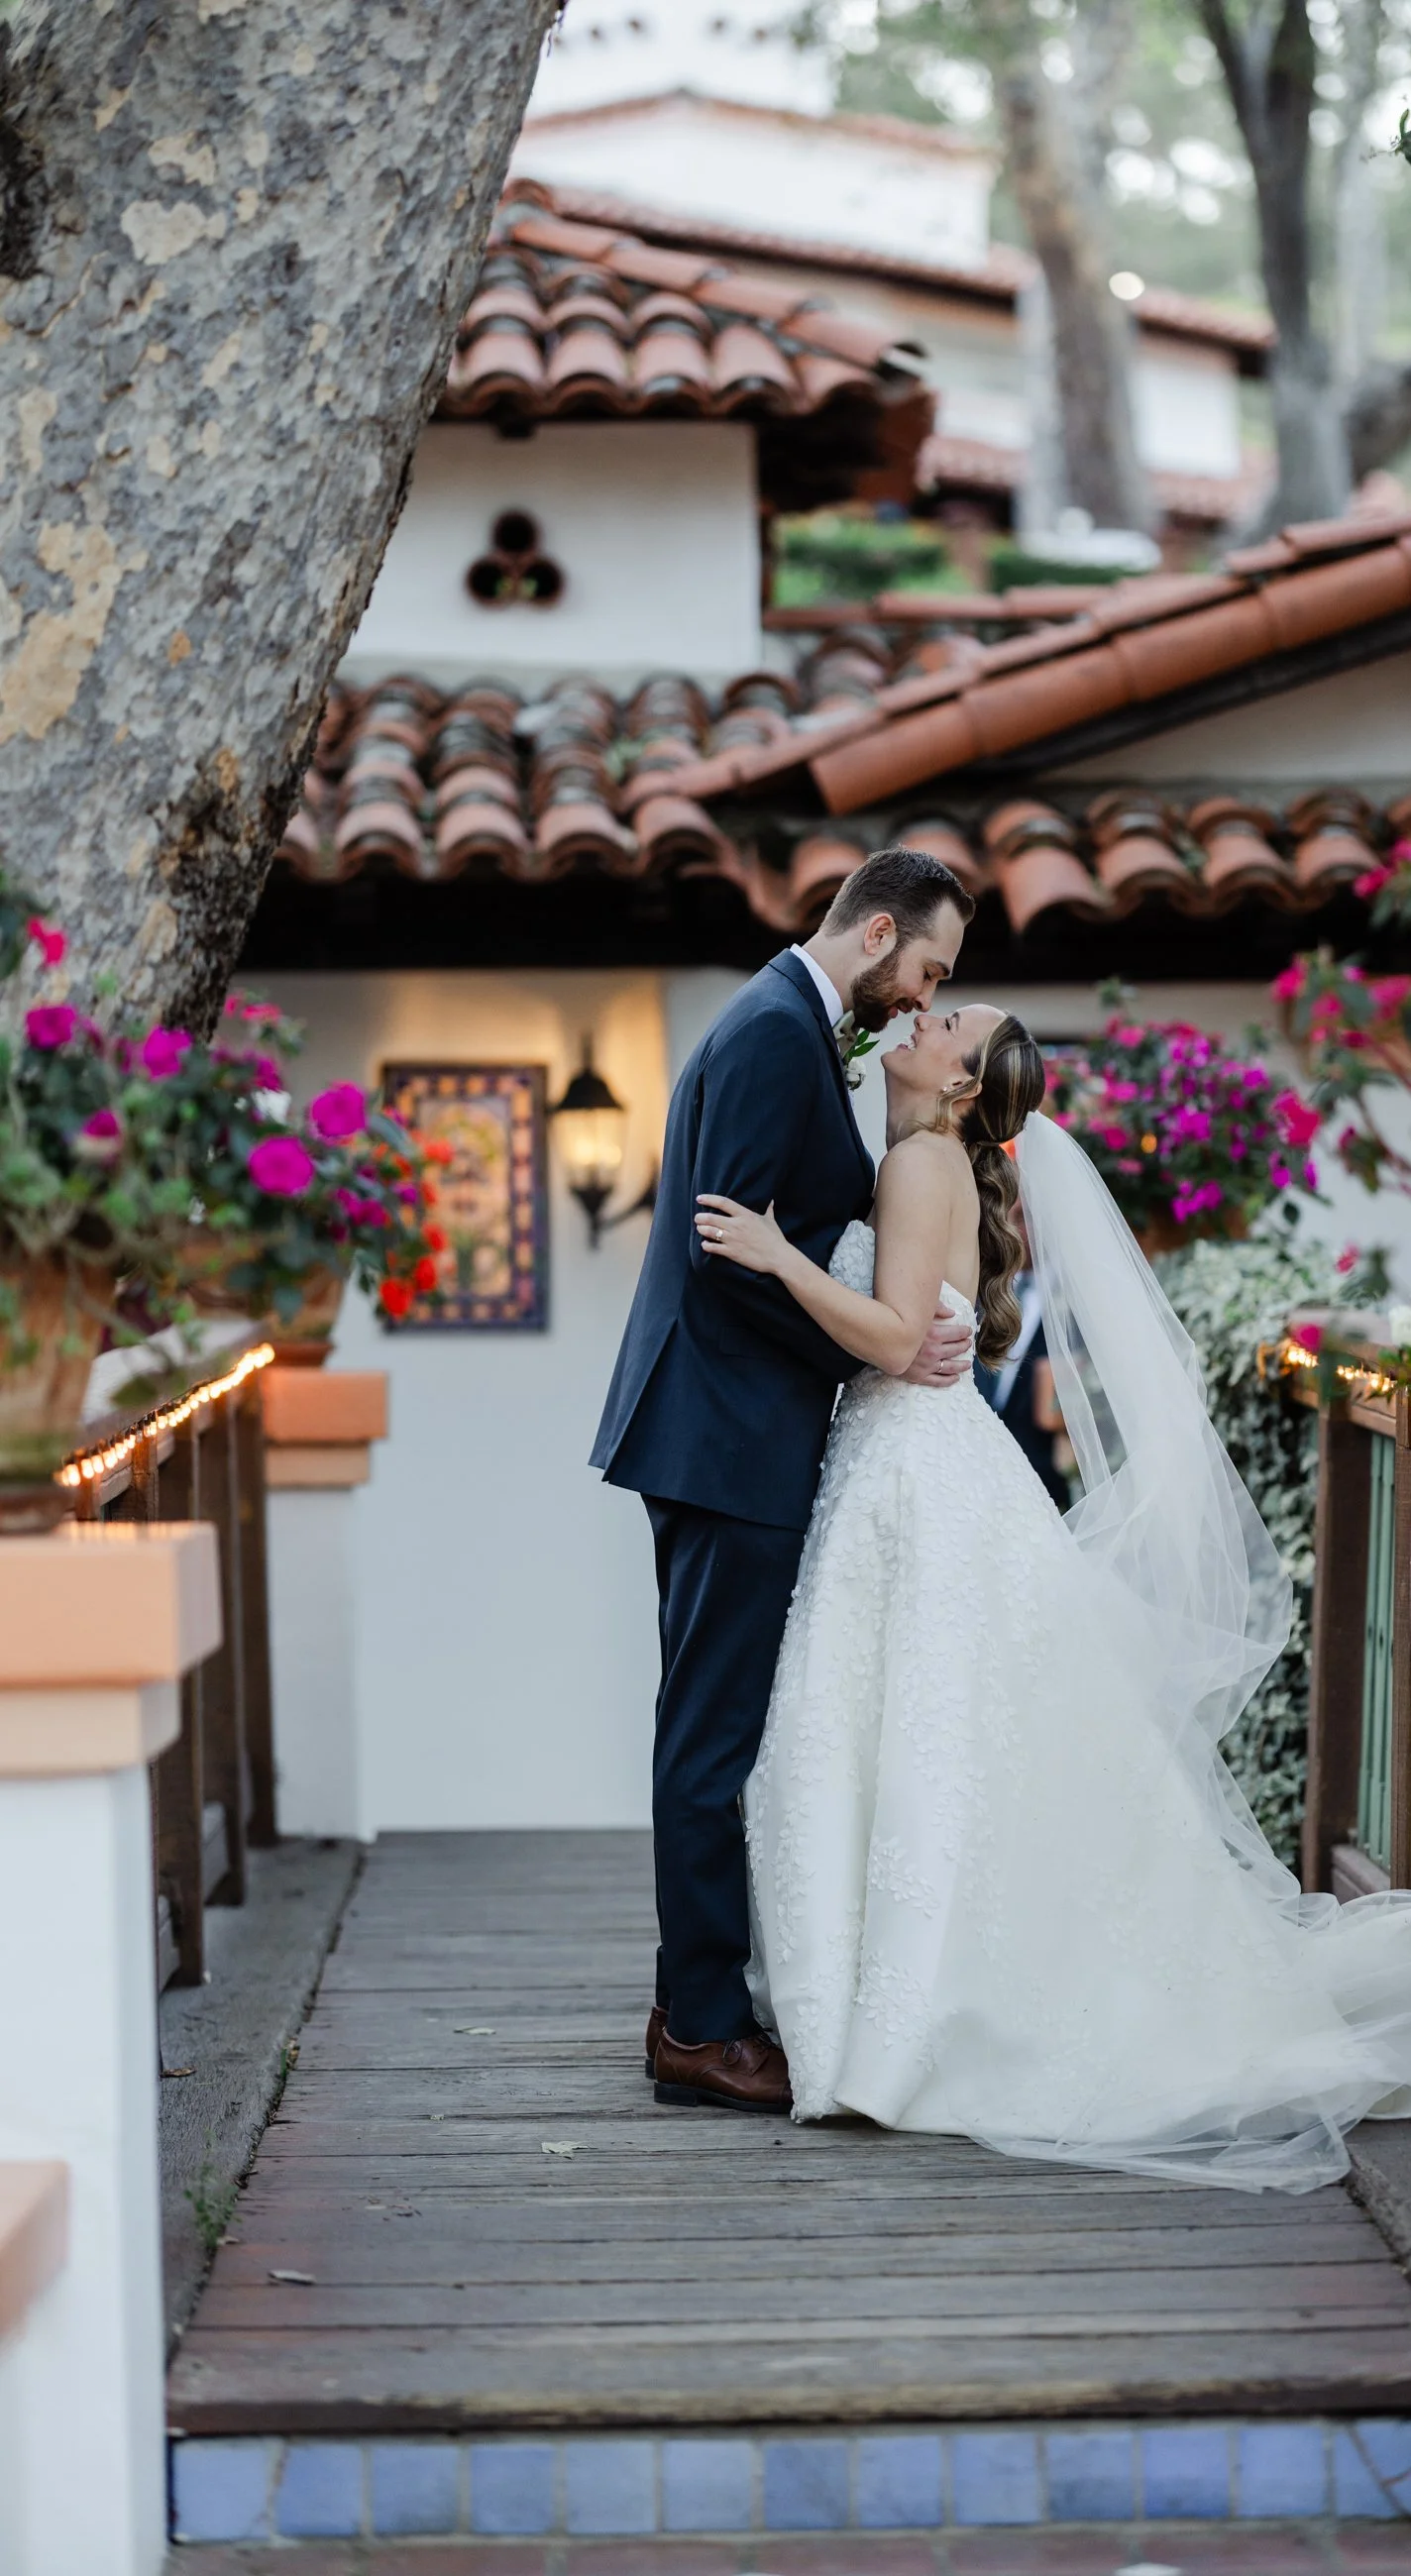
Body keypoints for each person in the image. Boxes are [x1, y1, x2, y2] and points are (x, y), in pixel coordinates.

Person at [695, 1005, 1411, 2189]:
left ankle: (902, 2021)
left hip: (913, 1477)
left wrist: (778, 1255)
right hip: (908, 1469)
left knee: (912, 1735)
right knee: (926, 1738)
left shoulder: (919, 1161)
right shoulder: (919, 1157)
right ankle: (894, 2005)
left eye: (947, 1018)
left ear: (963, 1083)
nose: (921, 1013)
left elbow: (897, 1337)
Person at [591, 847, 976, 2113]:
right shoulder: (771, 1031)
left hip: (727, 1425)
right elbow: (728, 1254)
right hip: (726, 1430)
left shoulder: (787, 1024)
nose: (924, 1000)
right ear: (878, 934)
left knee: (713, 1725)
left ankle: (694, 2003)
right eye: (929, 970)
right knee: (711, 1736)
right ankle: (701, 2026)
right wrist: (876, 1353)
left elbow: (770, 1242)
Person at [973, 1244, 1069, 1511]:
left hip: (1042, 1480)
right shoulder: (980, 1281)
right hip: (973, 1467)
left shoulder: (1073, 1298)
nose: (1015, 1229)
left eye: (1022, 1222)